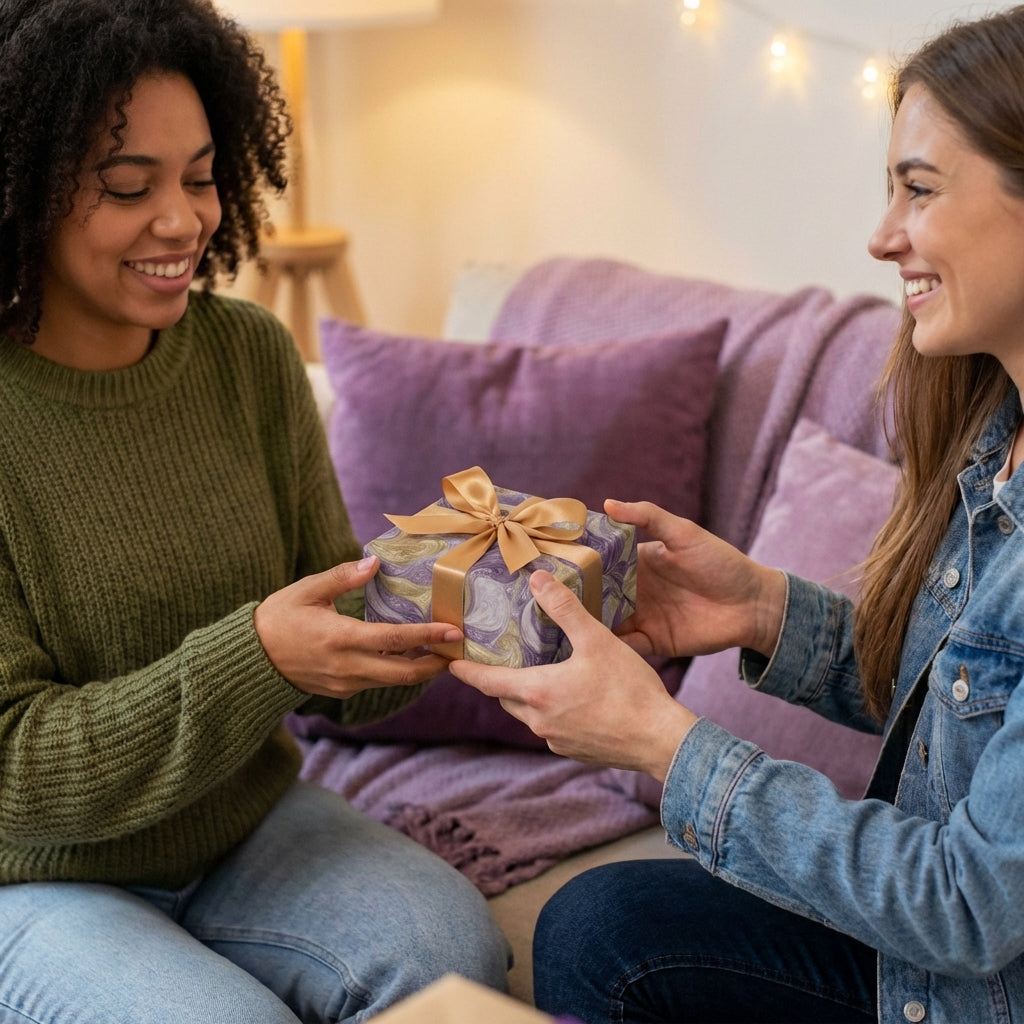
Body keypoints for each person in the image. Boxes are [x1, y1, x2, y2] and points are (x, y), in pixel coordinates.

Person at [451, 6, 1024, 1023]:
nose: (881, 235)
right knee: (601, 922)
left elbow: (966, 905)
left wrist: (662, 743)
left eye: (918, 188)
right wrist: (762, 608)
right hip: (946, 959)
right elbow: (969, 716)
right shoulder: (994, 438)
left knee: (610, 938)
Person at [0, 1, 510, 1020]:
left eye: (198, 177)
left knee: (450, 956)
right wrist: (260, 656)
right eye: (126, 187)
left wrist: (457, 598)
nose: (183, 221)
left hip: (245, 823)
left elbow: (340, 662)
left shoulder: (247, 354)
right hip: (38, 874)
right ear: (20, 191)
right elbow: (16, 765)